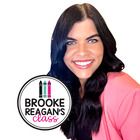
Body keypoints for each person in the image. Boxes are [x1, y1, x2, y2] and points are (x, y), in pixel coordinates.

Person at [47, 3, 140, 140]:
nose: (82, 52)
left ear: (104, 43)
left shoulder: (127, 94)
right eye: (71, 42)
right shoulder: (71, 88)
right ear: (59, 49)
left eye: (92, 40)